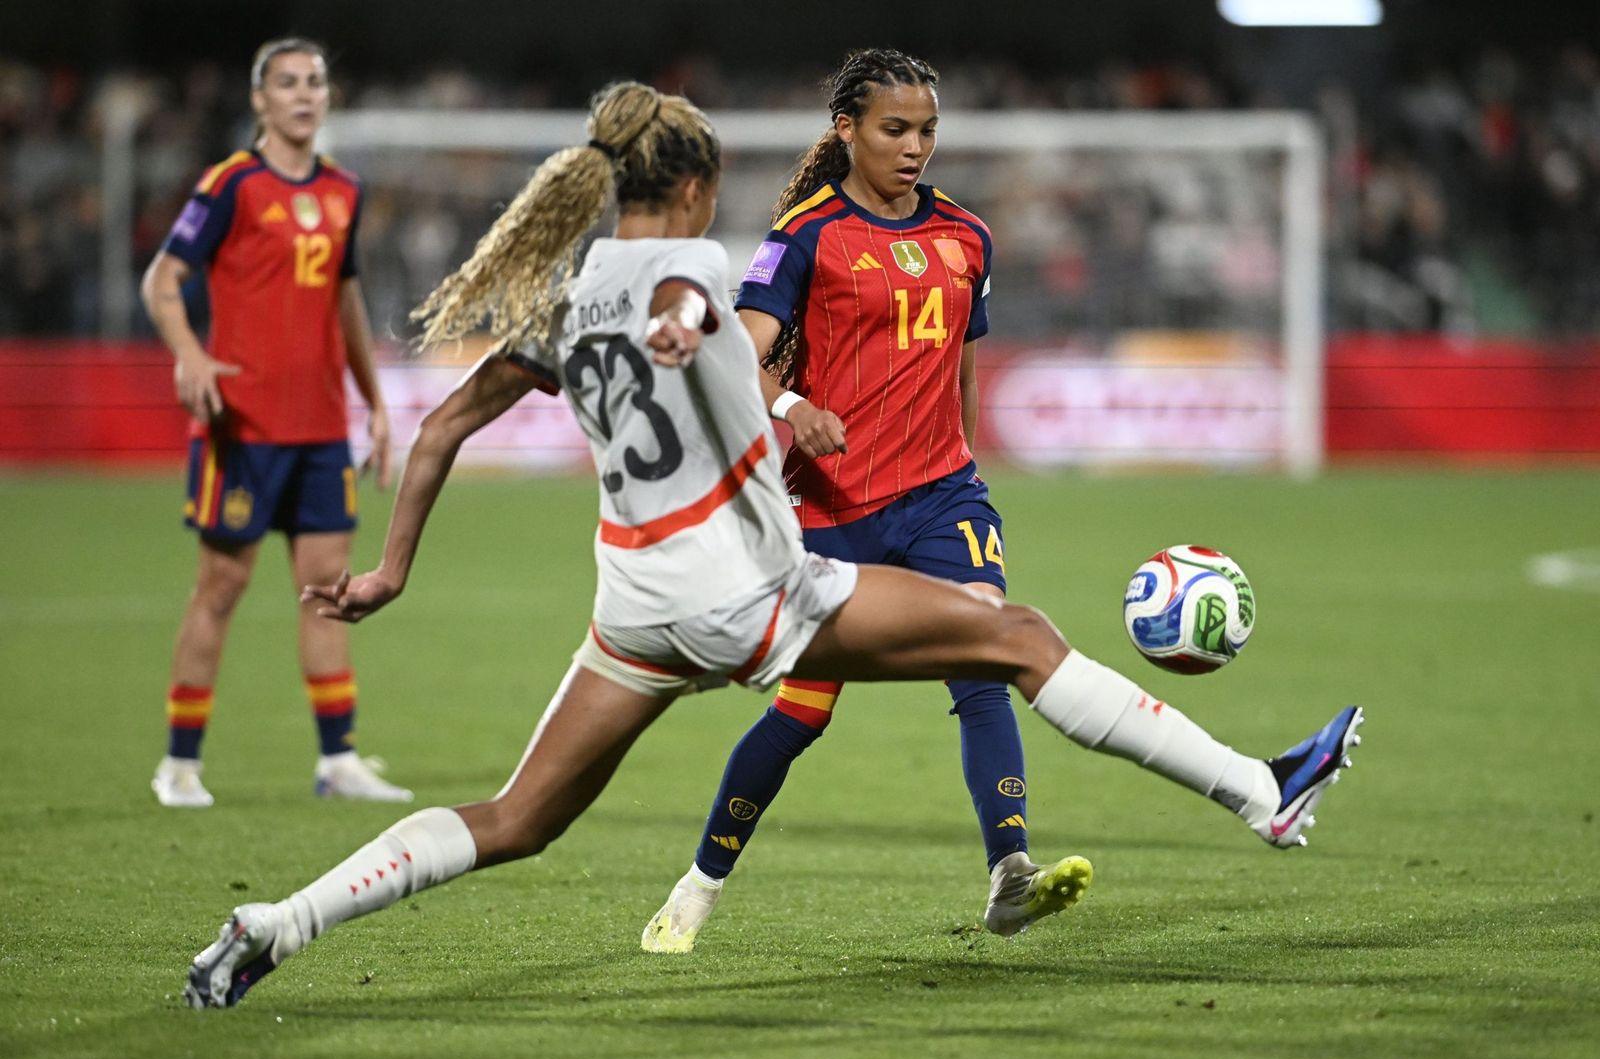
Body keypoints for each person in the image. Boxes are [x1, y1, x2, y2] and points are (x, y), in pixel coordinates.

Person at [181, 81, 1362, 1010]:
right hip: (746, 594)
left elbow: (441, 426)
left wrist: (391, 570)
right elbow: (696, 318)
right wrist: (727, 356)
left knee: (515, 819)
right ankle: (1260, 791)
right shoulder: (694, 270)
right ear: (694, 187)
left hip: (632, 606)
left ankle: (277, 923)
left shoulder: (567, 294)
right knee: (1016, 635)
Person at [641, 48, 1072, 953]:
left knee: (985, 658)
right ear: (847, 130)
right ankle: (698, 885)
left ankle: (1010, 870)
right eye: (895, 129)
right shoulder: (806, 234)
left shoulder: (967, 236)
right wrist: (793, 408)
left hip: (943, 498)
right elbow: (739, 353)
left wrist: (966, 470)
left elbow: (962, 369)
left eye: (928, 131)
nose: (915, 147)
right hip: (834, 510)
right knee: (803, 712)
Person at [142, 37, 411, 807]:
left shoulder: (344, 190)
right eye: (287, 83)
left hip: (321, 429)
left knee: (327, 592)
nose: (303, 94)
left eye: (314, 82)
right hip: (243, 427)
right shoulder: (232, 184)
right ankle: (179, 765)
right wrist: (190, 355)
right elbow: (163, 278)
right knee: (219, 588)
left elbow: (346, 300)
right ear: (260, 99)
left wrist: (375, 402)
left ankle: (338, 760)